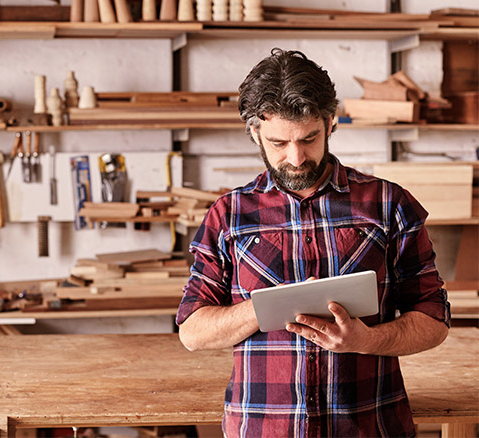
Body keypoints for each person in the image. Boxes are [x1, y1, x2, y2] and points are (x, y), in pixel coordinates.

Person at [177, 48, 450, 437]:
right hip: (263, 429)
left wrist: (367, 340)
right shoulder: (229, 214)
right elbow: (192, 331)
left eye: (309, 138)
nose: (296, 157)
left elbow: (434, 319)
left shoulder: (388, 204)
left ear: (330, 122)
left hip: (370, 427)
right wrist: (267, 307)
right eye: (278, 143)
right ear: (255, 132)